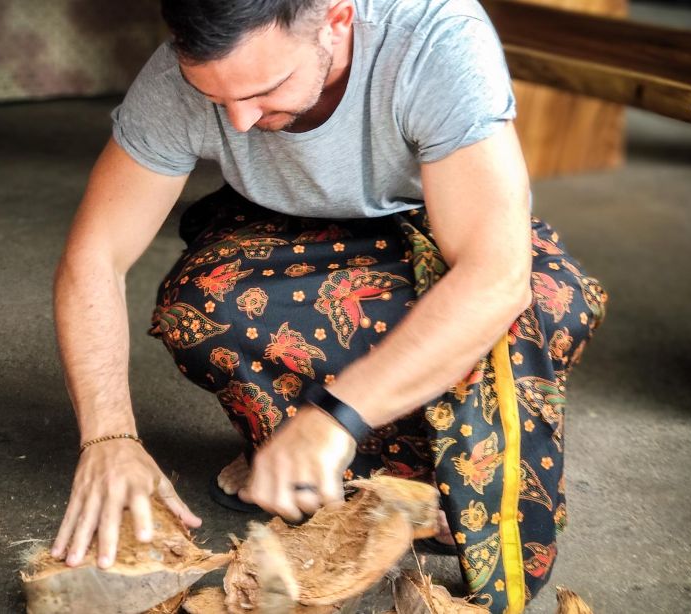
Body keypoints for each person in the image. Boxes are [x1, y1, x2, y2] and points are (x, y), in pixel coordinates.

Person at [49, 0, 607, 611]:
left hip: (434, 219)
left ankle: (368, 464)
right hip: (283, 226)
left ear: (336, 21)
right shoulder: (177, 78)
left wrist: (337, 414)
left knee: (546, 307)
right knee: (206, 306)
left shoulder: (436, 37)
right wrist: (108, 436)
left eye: (266, 89)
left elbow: (496, 274)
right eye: (216, 100)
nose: (237, 122)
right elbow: (95, 256)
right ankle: (323, 461)